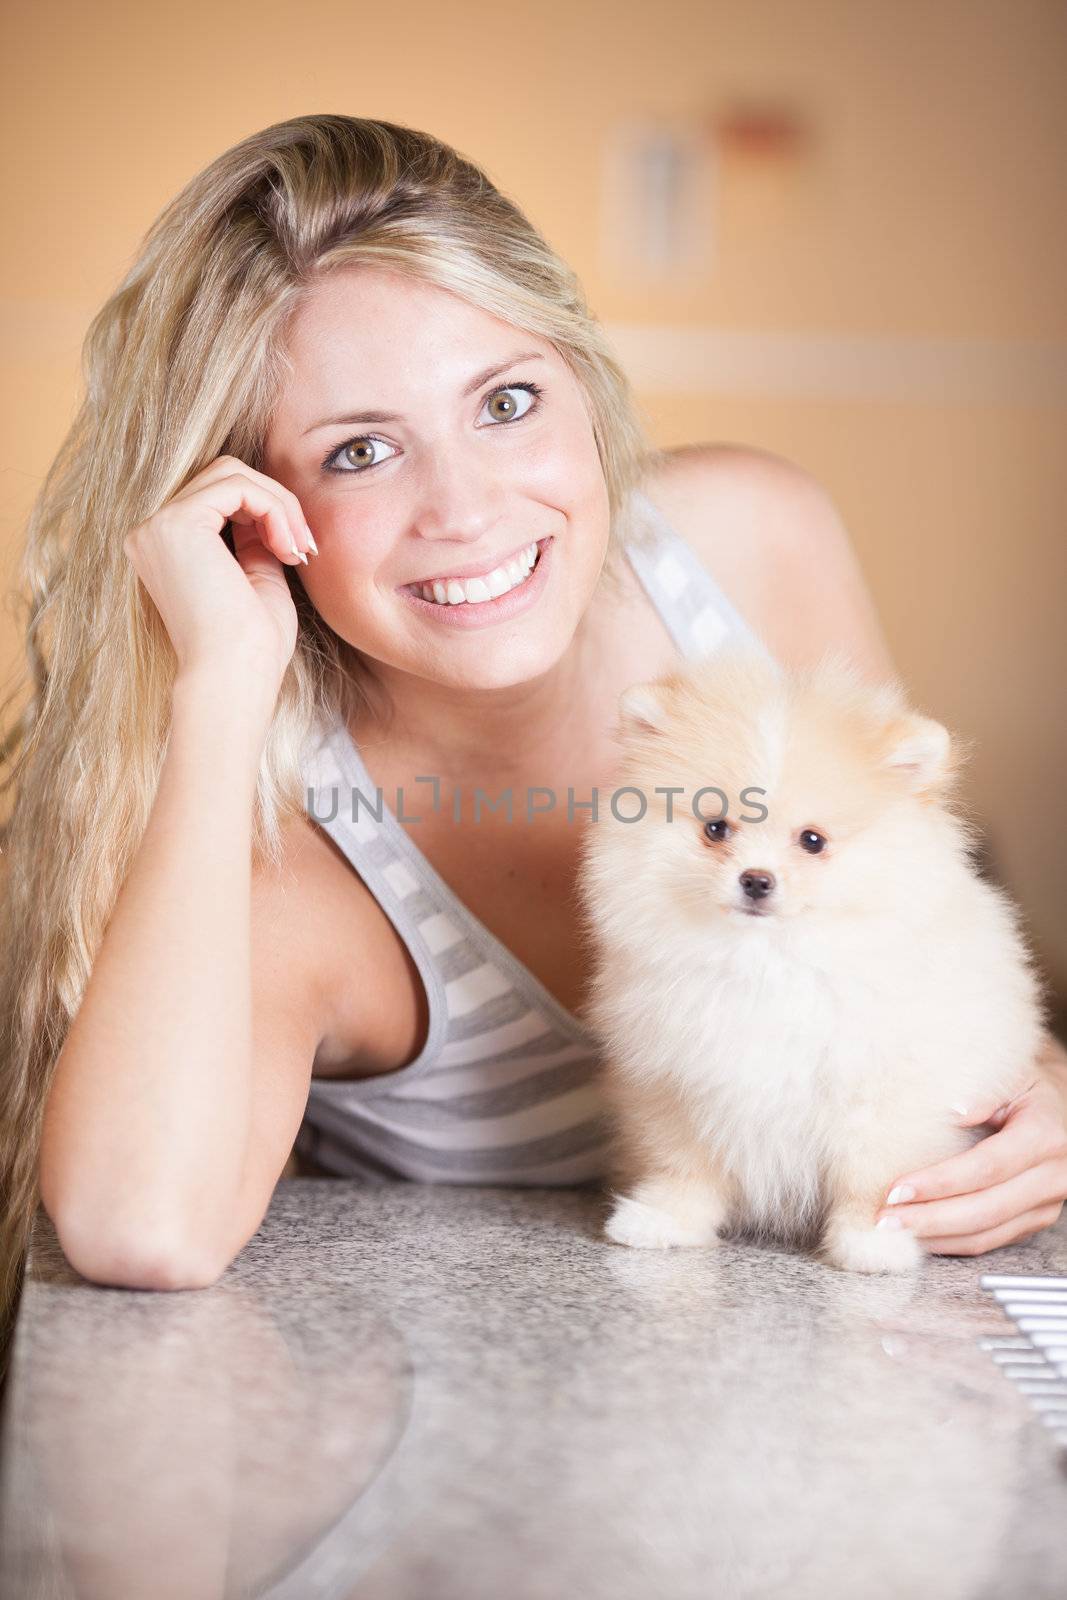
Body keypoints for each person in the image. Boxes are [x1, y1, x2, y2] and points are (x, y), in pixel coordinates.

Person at [2, 115, 1065, 1320]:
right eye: (357, 452)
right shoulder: (295, 852)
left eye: (504, 401)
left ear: (583, 379)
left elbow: (937, 941)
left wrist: (1032, 1100)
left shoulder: (745, 540)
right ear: (256, 515)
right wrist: (214, 691)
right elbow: (137, 1224)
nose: (464, 510)